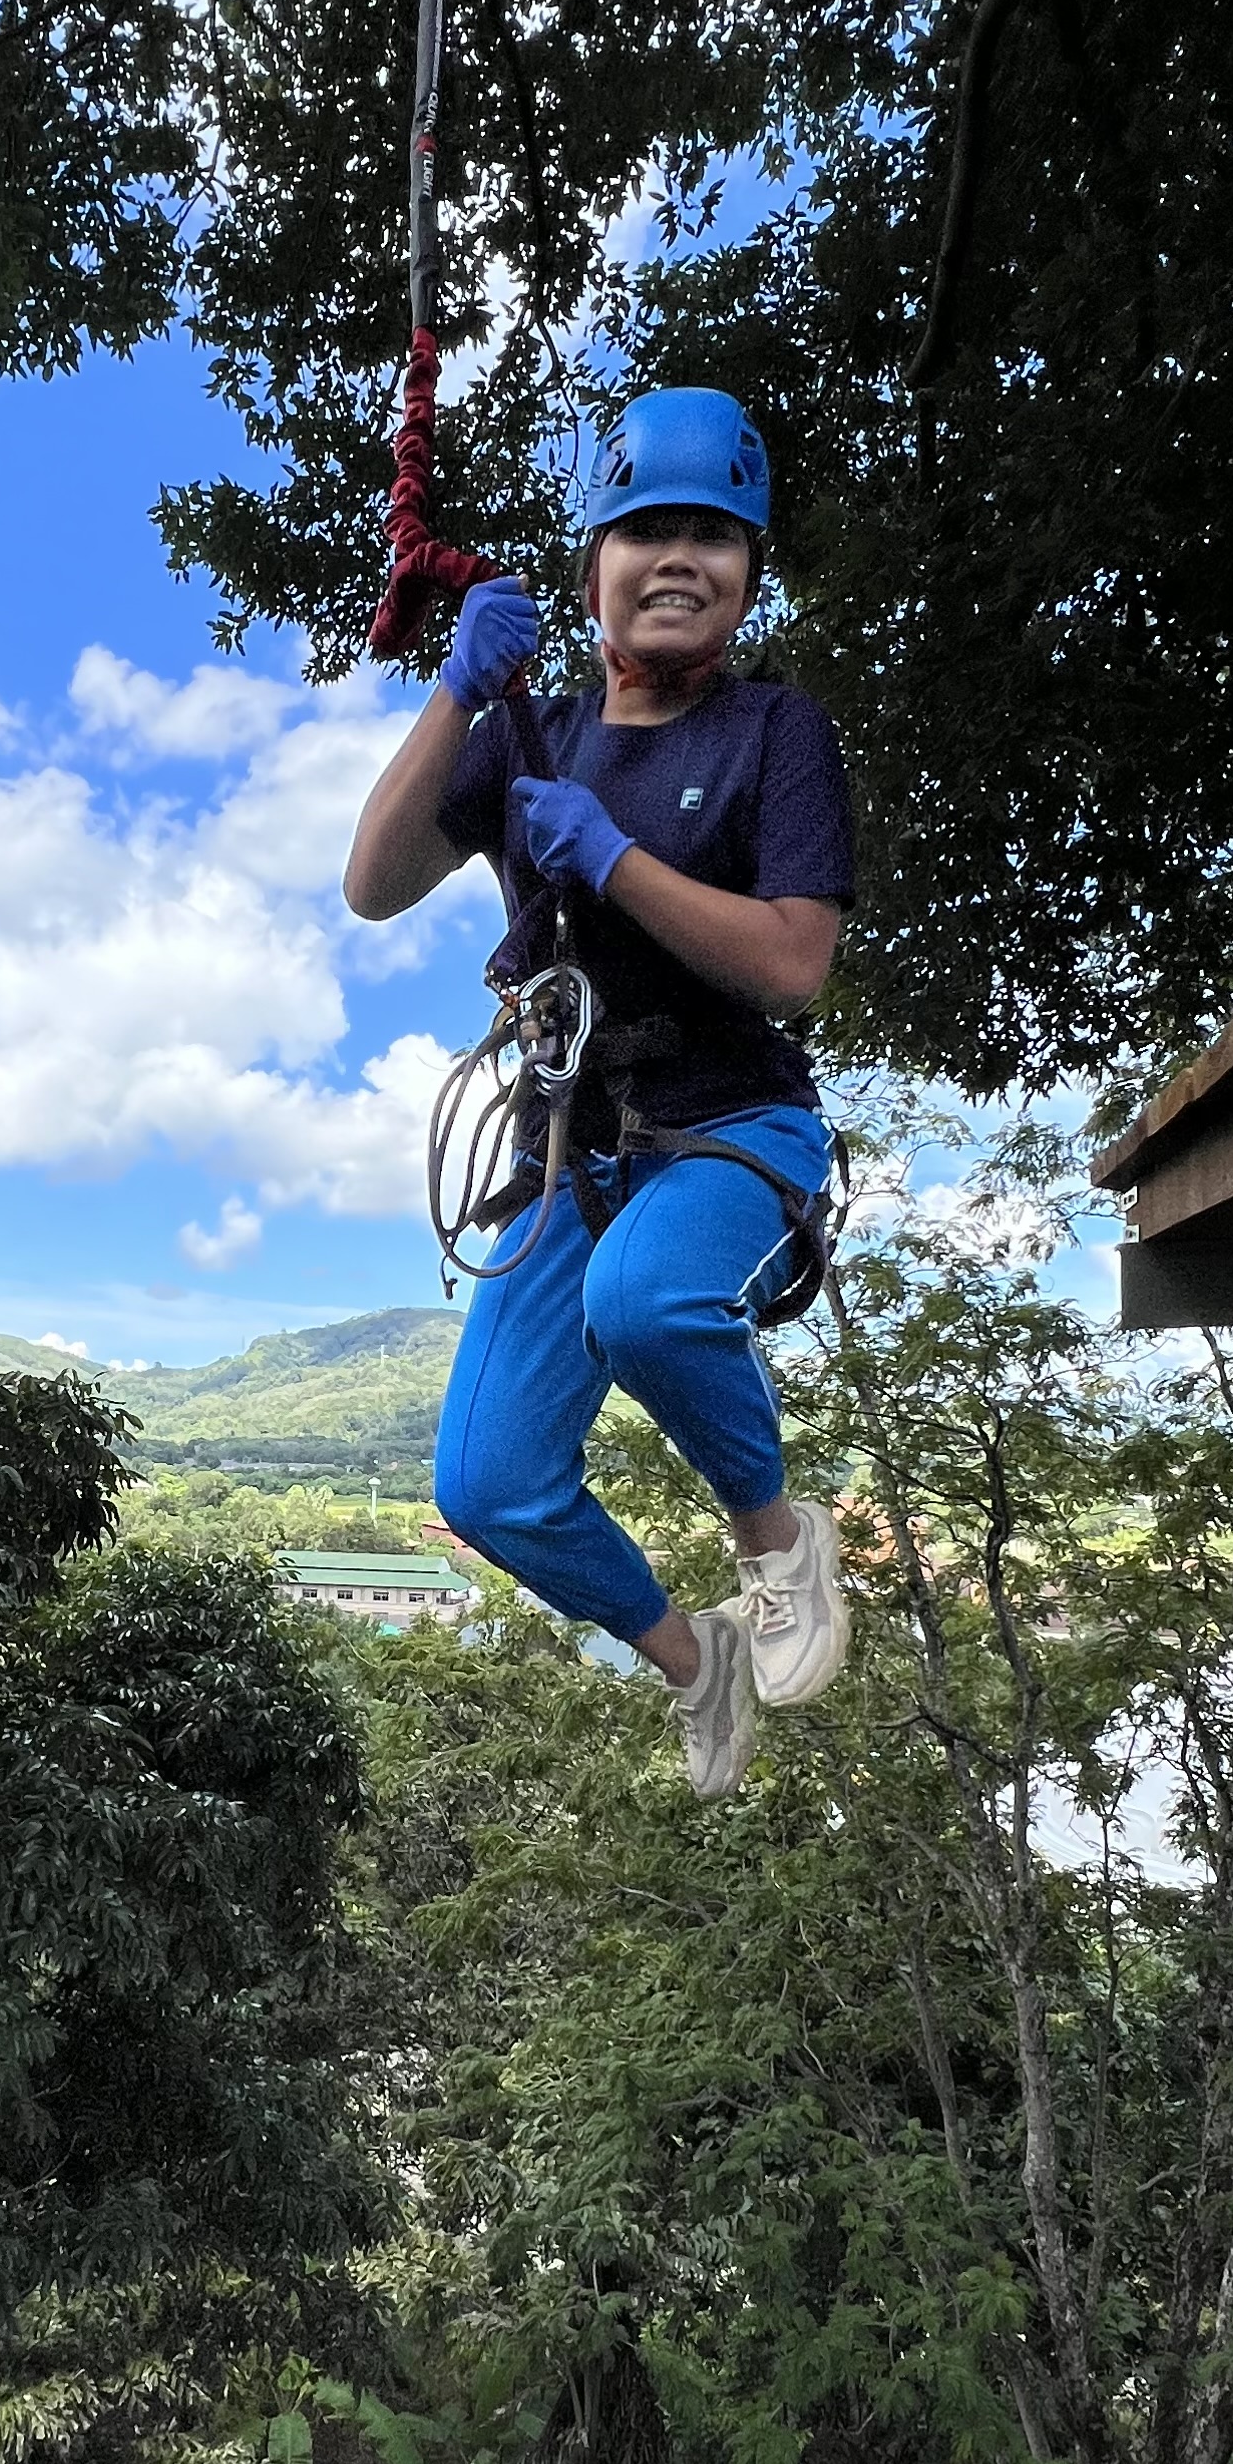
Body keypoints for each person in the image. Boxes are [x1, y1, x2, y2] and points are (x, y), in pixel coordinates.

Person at [343, 385, 856, 1796]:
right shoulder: (526, 732)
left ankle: (777, 1544)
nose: (677, 557)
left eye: (713, 535)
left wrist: (617, 862)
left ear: (749, 577)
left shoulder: (773, 733)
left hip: (734, 1126)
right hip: (576, 1145)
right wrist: (456, 694)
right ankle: (696, 1663)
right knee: (486, 1486)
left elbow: (794, 962)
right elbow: (373, 885)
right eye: (644, 530)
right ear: (593, 570)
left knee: (646, 1301)